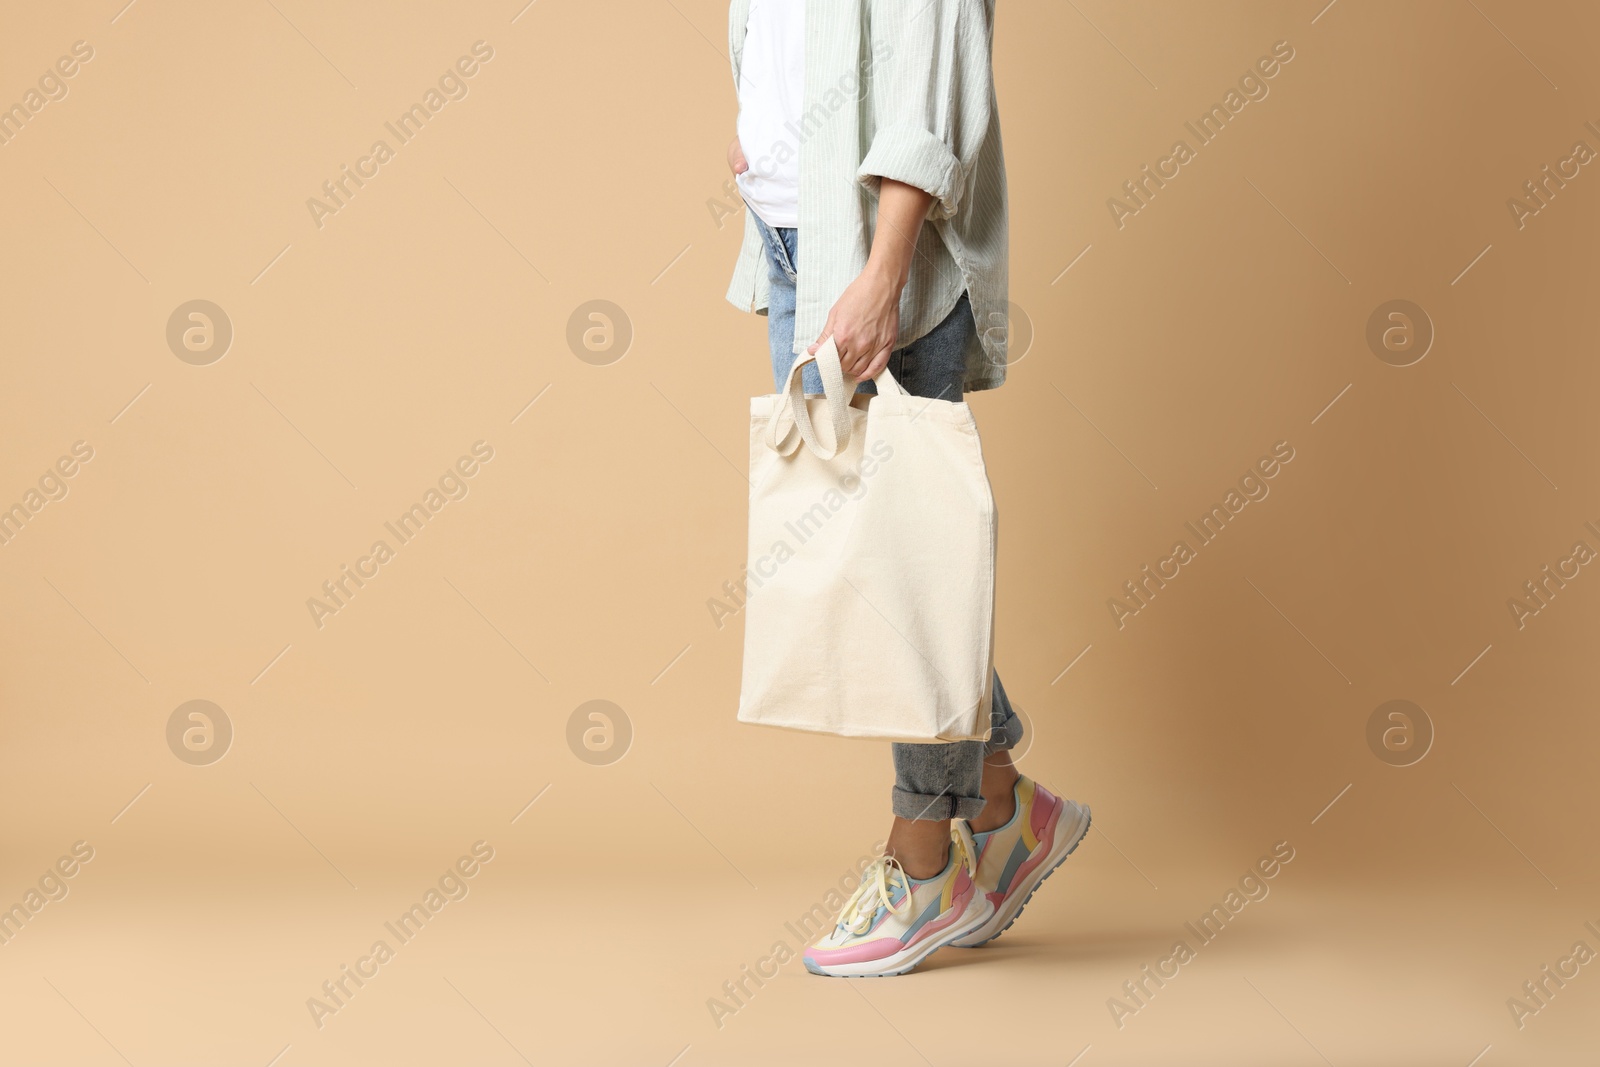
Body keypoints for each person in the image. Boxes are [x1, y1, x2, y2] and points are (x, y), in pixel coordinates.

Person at [724, 0, 1091, 978]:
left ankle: (925, 865)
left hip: (882, 254)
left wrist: (883, 273)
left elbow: (934, 81)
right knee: (884, 558)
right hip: (795, 236)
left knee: (896, 568)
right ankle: (1006, 803)